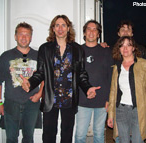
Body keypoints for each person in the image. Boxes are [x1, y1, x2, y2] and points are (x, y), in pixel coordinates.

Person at [20, 15, 101, 143]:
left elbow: (81, 74)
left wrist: (87, 88)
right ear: (53, 29)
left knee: (67, 135)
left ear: (68, 28)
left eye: (63, 25)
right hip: (51, 98)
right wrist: (30, 83)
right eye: (57, 25)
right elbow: (41, 73)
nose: (60, 28)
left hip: (69, 98)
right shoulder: (45, 48)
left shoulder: (77, 49)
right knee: (48, 135)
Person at [0, 22, 44, 143]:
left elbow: (45, 78)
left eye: (27, 35)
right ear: (15, 36)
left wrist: (39, 94)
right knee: (11, 138)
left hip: (32, 103)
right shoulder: (6, 56)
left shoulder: (39, 56)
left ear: (31, 37)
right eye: (21, 34)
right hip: (11, 103)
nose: (24, 37)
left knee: (28, 137)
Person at [107, 36, 146, 143]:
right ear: (119, 49)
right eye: (122, 45)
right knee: (123, 140)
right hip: (121, 110)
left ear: (133, 48)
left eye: (128, 45)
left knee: (137, 140)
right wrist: (110, 115)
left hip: (139, 110)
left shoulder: (143, 64)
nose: (125, 48)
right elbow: (113, 92)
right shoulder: (116, 67)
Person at [75, 20, 113, 143]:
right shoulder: (77, 51)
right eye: (89, 29)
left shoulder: (107, 52)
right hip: (82, 99)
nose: (91, 32)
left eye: (95, 29)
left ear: (98, 34)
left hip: (102, 101)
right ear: (84, 33)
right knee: (80, 135)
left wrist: (109, 99)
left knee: (99, 134)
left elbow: (110, 76)